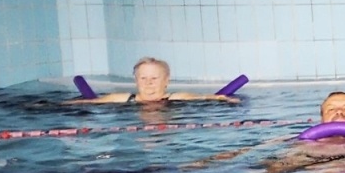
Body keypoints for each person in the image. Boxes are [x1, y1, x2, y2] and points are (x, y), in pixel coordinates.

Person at [235, 92, 345, 173]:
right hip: (301, 157)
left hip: (344, 161)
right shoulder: (297, 137)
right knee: (270, 167)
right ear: (322, 119)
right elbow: (256, 149)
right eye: (331, 109)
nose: (339, 113)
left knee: (344, 166)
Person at [66, 57, 238, 104]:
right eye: (143, 78)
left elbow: (208, 98)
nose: (149, 83)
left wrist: (225, 99)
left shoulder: (178, 98)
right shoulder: (122, 99)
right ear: (136, 80)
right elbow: (90, 103)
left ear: (166, 81)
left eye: (154, 78)